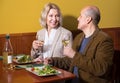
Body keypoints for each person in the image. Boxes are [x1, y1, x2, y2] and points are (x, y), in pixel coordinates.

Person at [44, 5, 114, 83]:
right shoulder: (79, 37)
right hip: (71, 80)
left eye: (80, 16)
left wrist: (74, 55)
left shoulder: (104, 40)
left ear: (88, 19)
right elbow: (70, 61)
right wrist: (52, 61)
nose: (78, 18)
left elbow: (101, 69)